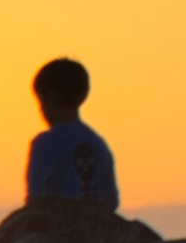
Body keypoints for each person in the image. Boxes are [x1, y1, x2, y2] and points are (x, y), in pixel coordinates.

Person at [23, 57, 118, 218]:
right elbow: (111, 201)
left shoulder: (45, 143)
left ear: (49, 98)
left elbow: (35, 199)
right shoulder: (98, 143)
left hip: (57, 231)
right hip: (95, 231)